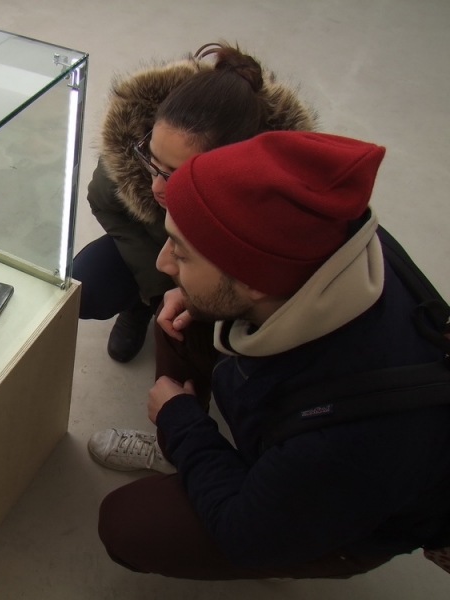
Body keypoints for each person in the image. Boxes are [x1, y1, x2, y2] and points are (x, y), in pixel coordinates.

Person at [90, 130, 450, 579]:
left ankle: (245, 494)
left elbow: (244, 535)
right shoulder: (332, 238)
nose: (163, 263)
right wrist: (198, 292)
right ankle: (206, 457)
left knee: (129, 523)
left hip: (342, 518)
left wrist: (183, 424)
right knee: (180, 315)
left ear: (253, 280)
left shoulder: (344, 443)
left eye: (181, 253)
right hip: (307, 444)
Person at [72, 42, 316, 362]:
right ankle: (139, 306)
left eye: (176, 175)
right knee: (88, 283)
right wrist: (156, 290)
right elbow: (107, 205)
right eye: (152, 160)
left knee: (207, 352)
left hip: (224, 274)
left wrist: (200, 294)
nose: (156, 187)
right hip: (157, 250)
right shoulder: (131, 156)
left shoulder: (281, 205)